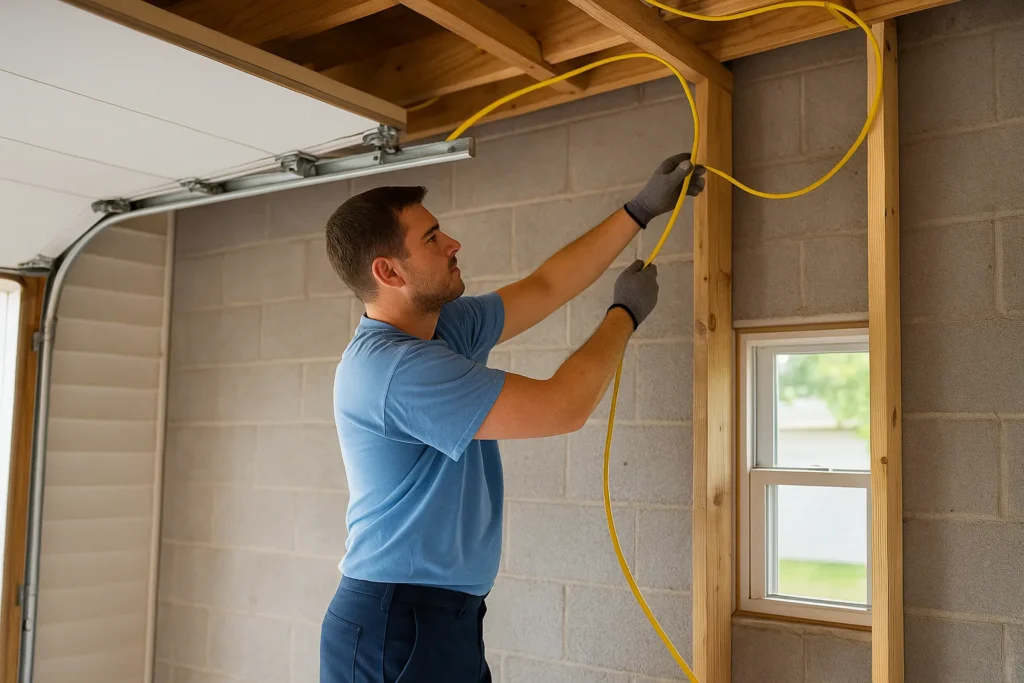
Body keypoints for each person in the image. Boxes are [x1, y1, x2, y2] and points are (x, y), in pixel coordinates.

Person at [320, 153, 706, 683]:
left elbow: (546, 286)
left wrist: (639, 210)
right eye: (432, 239)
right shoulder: (396, 370)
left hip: (436, 614)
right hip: (397, 622)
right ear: (387, 271)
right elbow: (563, 407)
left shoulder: (442, 327)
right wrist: (624, 315)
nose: (452, 243)